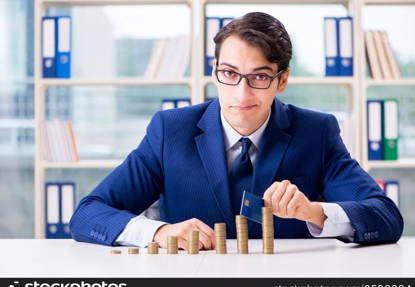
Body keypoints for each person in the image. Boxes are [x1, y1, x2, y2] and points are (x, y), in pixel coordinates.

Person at [69, 12, 403, 250]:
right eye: (229, 73)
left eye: (259, 77)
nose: (241, 94)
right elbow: (89, 214)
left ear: (282, 80)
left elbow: (386, 217)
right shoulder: (170, 131)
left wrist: (315, 212)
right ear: (214, 71)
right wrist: (159, 232)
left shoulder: (316, 132)